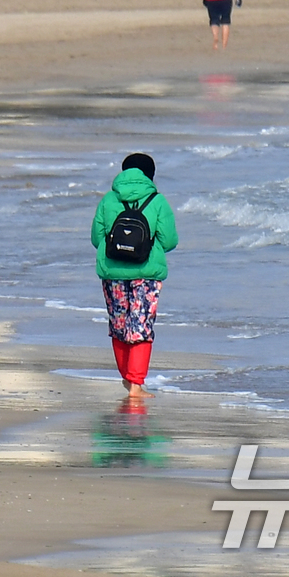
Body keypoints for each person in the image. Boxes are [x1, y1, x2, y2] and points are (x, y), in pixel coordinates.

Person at [91, 153, 179, 401]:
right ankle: (136, 384)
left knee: (119, 323)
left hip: (112, 271)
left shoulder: (109, 199)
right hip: (147, 274)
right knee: (141, 325)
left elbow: (96, 238)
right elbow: (170, 240)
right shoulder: (158, 201)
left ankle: (127, 376)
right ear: (150, 175)